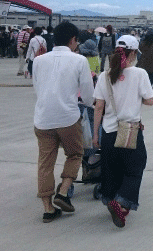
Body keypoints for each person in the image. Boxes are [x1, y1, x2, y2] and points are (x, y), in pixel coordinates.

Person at [31, 22, 94, 223]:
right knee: (75, 154)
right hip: (67, 117)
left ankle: (48, 209)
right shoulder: (79, 60)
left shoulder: (39, 61)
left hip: (43, 119)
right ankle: (63, 191)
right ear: (73, 40)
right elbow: (87, 95)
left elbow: (37, 88)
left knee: (45, 164)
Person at [92, 35, 153, 228]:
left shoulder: (105, 75)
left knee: (112, 169)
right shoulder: (139, 74)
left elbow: (98, 107)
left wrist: (95, 134)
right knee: (135, 167)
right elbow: (150, 100)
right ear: (133, 53)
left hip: (109, 131)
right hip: (130, 131)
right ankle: (120, 202)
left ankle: (112, 199)